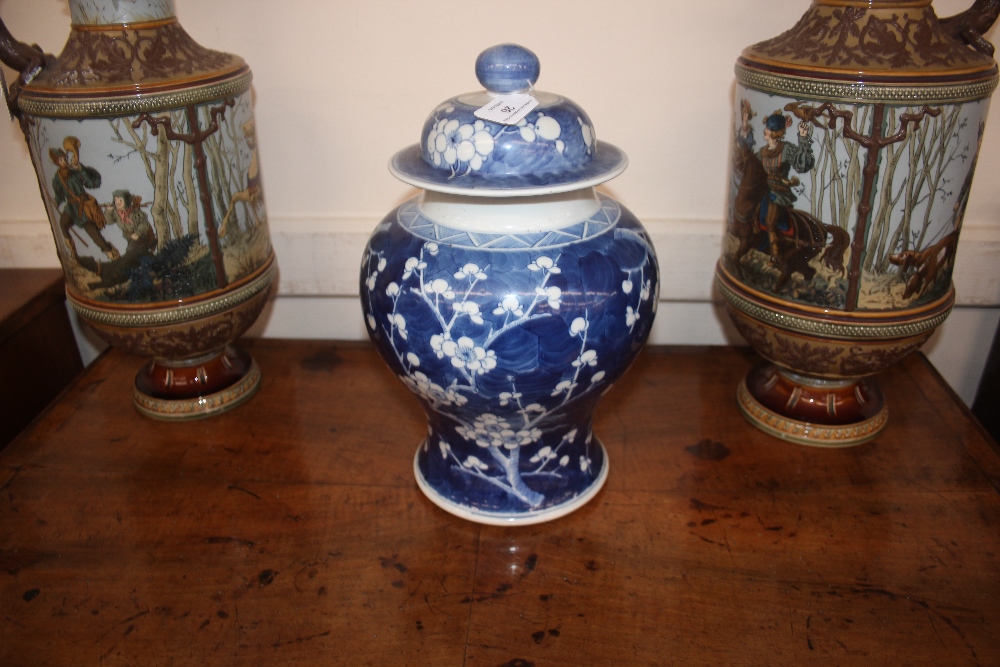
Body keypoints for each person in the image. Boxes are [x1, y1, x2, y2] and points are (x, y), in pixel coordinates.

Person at [756, 111, 815, 259]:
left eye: (768, 129)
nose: (765, 131)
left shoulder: (786, 149)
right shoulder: (761, 152)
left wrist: (803, 137)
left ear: (775, 133)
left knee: (771, 219)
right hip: (762, 189)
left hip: (779, 191)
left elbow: (802, 165)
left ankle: (776, 255)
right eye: (766, 128)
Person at [50, 136, 119, 261]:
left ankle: (110, 251)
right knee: (63, 223)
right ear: (56, 162)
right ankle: (73, 253)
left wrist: (82, 170)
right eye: (61, 159)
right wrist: (56, 201)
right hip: (71, 208)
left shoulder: (76, 173)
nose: (64, 161)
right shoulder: (57, 179)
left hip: (84, 208)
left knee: (92, 232)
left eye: (65, 158)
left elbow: (93, 183)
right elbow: (59, 194)